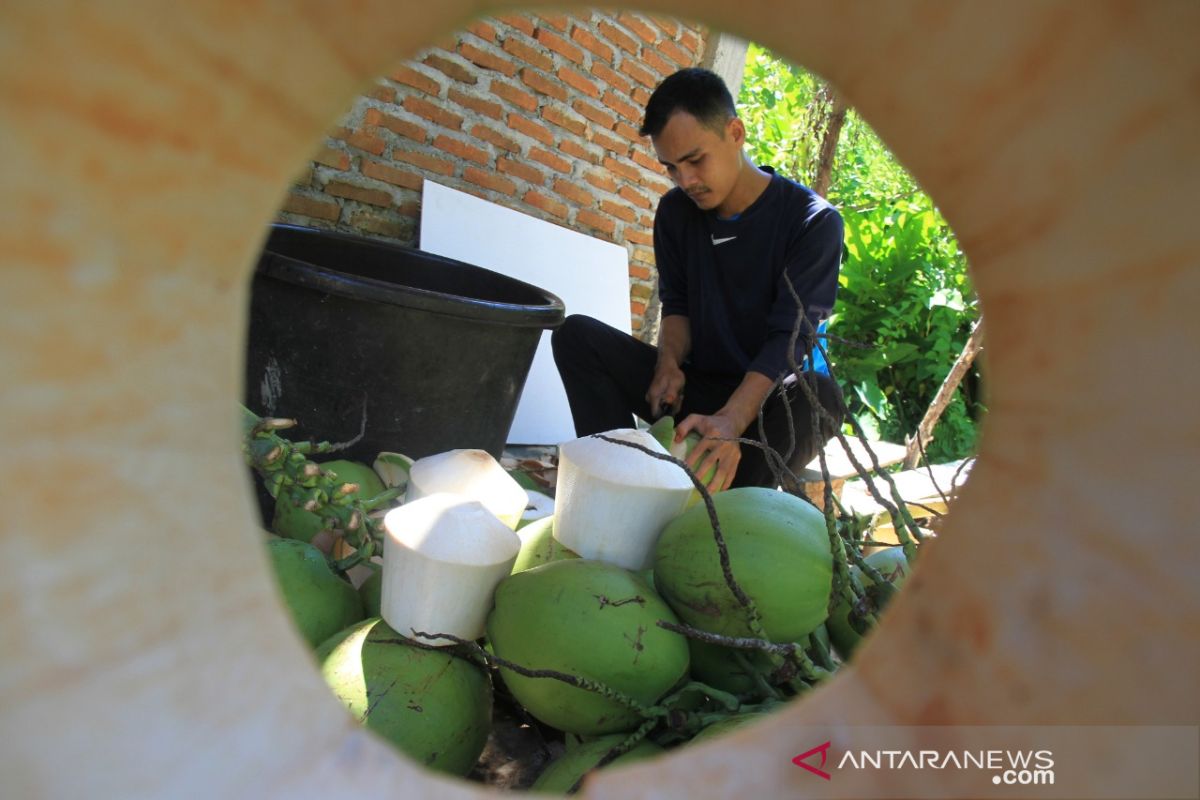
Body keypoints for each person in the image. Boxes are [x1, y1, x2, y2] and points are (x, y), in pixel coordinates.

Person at [551, 67, 844, 492]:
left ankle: (728, 511)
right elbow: (679, 305)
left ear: (735, 132)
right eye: (671, 168)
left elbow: (790, 339)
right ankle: (616, 481)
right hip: (698, 393)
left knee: (820, 397)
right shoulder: (675, 213)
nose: (685, 180)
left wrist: (730, 421)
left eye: (695, 160)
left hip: (763, 407)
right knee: (577, 336)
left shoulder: (812, 223)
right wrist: (668, 364)